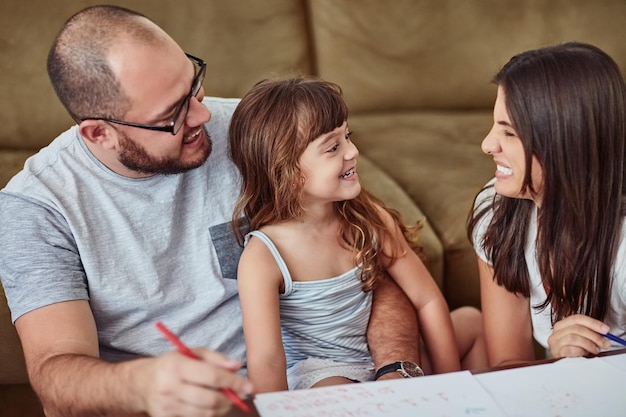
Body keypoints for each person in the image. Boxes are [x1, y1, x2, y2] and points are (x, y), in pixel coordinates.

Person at [0, 6, 421, 417]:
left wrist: (394, 369)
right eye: (172, 116)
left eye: (194, 85)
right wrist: (144, 384)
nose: (203, 114)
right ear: (99, 133)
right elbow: (56, 378)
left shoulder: (250, 130)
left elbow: (371, 260)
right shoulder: (36, 209)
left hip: (313, 384)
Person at [228, 76, 488, 393]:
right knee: (339, 393)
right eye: (333, 147)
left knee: (472, 322)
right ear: (287, 172)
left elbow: (428, 300)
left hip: (383, 361)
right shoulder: (264, 256)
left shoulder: (368, 218)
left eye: (347, 137)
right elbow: (266, 360)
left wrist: (449, 383)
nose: (352, 152)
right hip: (322, 375)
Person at [467, 41, 626, 367]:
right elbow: (508, 364)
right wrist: (561, 367)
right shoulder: (497, 210)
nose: (487, 144)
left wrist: (585, 369)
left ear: (565, 145)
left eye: (509, 133)